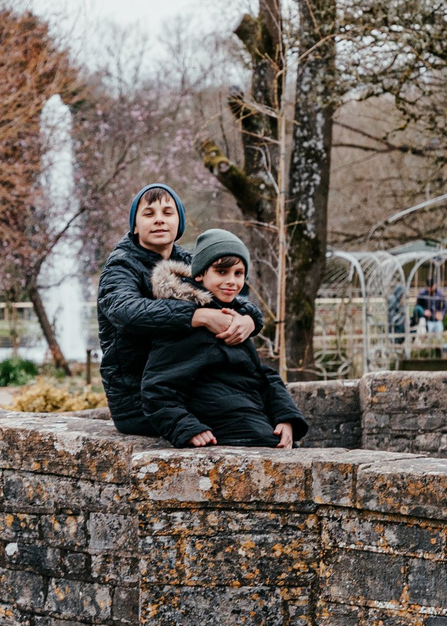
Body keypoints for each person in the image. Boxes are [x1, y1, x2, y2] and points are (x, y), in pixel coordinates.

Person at [97, 184, 255, 436]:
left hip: (188, 389)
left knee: (255, 412)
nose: (159, 220)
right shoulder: (120, 268)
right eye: (149, 214)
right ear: (135, 226)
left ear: (179, 223)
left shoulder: (189, 262)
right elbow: (126, 312)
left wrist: (249, 319)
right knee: (246, 424)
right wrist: (198, 316)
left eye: (168, 213)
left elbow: (227, 296)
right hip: (142, 403)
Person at [140, 230, 306, 449]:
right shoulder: (188, 322)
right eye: (221, 271)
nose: (231, 281)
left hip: (255, 426)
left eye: (238, 274)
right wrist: (186, 427)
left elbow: (261, 376)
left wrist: (286, 418)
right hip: (226, 433)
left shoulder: (235, 317)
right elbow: (156, 388)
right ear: (200, 274)